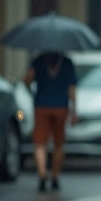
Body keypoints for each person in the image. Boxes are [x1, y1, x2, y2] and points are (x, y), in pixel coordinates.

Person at [23, 51, 78, 193]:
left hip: (41, 105)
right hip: (61, 106)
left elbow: (27, 79)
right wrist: (74, 110)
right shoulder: (67, 62)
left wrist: (33, 90)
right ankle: (55, 176)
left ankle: (42, 174)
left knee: (40, 143)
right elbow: (72, 88)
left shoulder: (38, 60)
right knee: (58, 144)